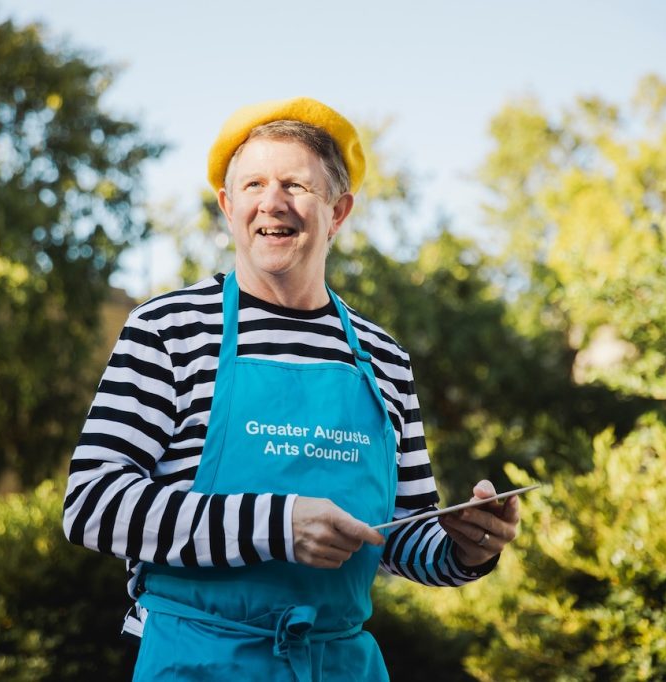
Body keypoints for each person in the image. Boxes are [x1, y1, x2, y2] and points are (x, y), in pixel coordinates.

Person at [63, 96, 521, 680]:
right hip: (199, 662)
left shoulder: (384, 359)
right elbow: (92, 505)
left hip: (340, 664)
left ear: (338, 212)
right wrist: (278, 525)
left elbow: (404, 538)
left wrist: (466, 548)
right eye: (253, 184)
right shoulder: (168, 329)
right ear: (229, 207)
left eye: (297, 186)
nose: (272, 203)